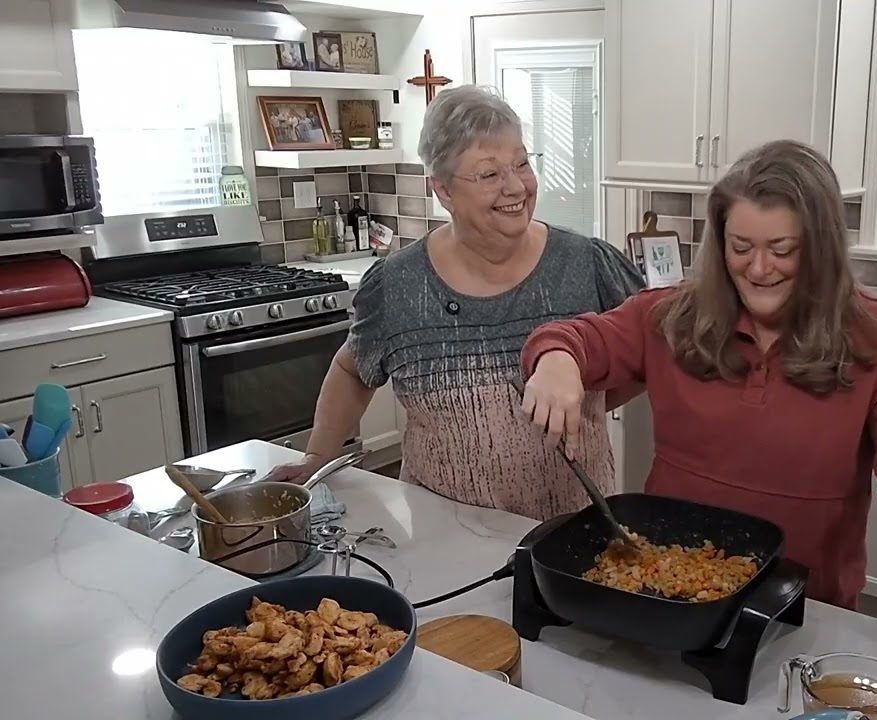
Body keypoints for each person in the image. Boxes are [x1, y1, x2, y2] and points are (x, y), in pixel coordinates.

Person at [517, 140, 877, 699]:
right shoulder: (673, 314)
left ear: (819, 248)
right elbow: (579, 338)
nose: (759, 267)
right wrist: (555, 360)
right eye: (740, 246)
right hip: (662, 608)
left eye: (782, 249)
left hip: (803, 622)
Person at [265, 85, 645, 520]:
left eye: (521, 163)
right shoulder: (398, 285)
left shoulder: (586, 263)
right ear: (443, 191)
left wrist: (582, 400)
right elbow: (353, 370)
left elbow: (647, 349)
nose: (515, 186)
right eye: (489, 174)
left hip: (571, 531)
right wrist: (317, 458)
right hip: (444, 533)